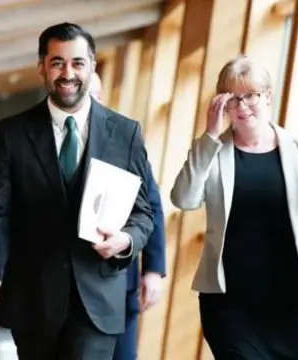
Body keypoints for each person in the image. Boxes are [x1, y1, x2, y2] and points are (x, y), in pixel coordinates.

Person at [0, 22, 154, 360]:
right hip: (34, 301)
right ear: (42, 68)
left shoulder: (125, 133)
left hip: (96, 302)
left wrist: (125, 240)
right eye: (58, 62)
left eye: (78, 63)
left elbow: (143, 212)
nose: (68, 73)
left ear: (92, 66)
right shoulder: (13, 133)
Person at [170, 54, 298, 359]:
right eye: (233, 99)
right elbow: (184, 199)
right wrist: (208, 136)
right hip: (230, 305)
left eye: (251, 96)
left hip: (292, 306)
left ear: (268, 96)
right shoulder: (213, 151)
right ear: (223, 104)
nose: (242, 107)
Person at [89, 73, 166, 360]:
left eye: (96, 95)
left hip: (120, 280)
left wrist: (153, 269)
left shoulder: (125, 141)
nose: (91, 102)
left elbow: (152, 206)